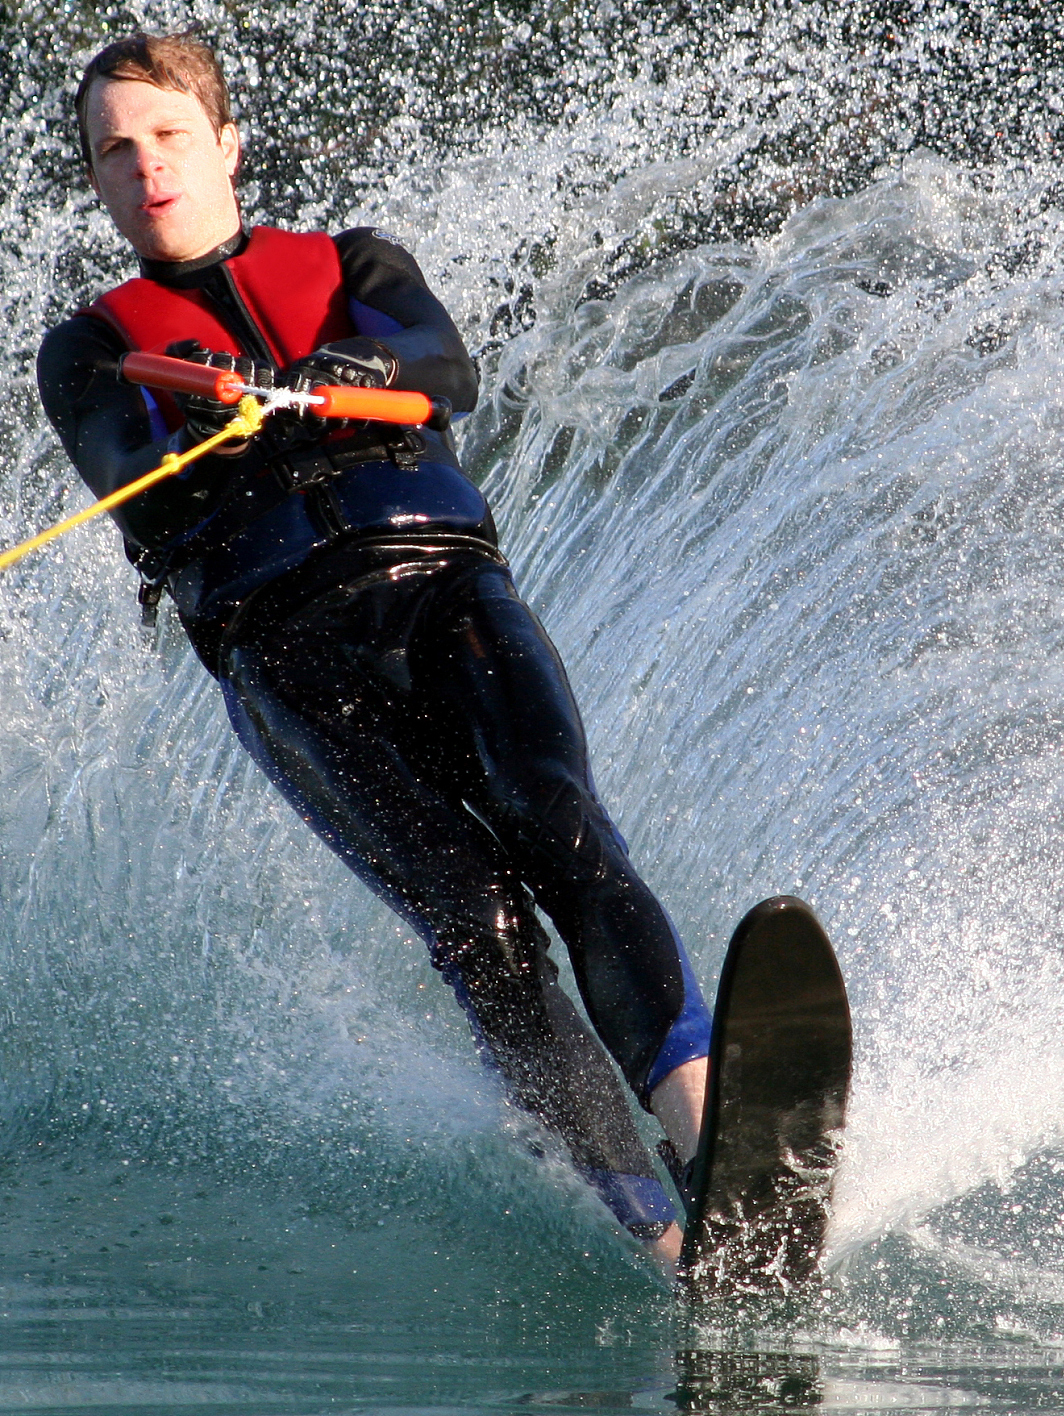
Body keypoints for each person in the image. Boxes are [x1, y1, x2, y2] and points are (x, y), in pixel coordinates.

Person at [37, 31, 712, 1267]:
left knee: (556, 825)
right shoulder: (86, 348)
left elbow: (437, 365)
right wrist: (218, 408)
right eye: (116, 152)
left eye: (170, 137)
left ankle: (712, 1134)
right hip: (281, 651)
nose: (148, 169)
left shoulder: (352, 264)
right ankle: (657, 1230)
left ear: (227, 145)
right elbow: (131, 480)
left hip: (441, 589)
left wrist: (331, 373)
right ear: (97, 181)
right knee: (477, 918)